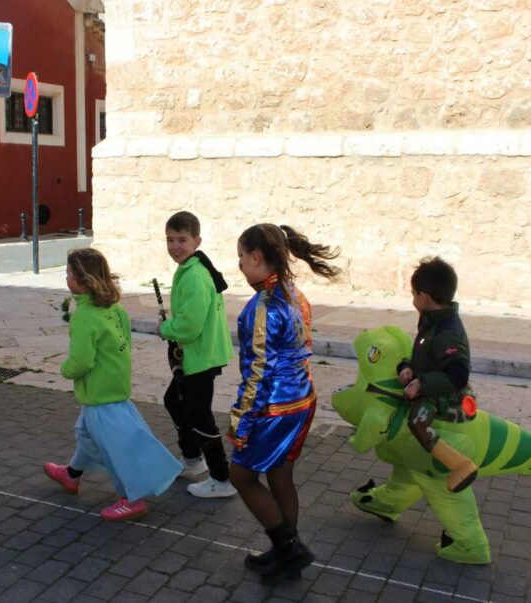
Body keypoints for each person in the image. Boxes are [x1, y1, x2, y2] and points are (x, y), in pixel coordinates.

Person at [229, 224, 341, 582]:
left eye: (242, 257)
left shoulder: (261, 307)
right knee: (280, 476)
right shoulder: (294, 294)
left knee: (241, 476)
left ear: (257, 257)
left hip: (275, 408)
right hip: (302, 399)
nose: (240, 265)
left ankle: (289, 549)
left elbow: (257, 373)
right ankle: (284, 551)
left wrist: (240, 422)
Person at [44, 248, 182, 521]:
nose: (66, 277)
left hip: (99, 395)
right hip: (114, 388)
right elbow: (125, 345)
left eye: (69, 272)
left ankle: (132, 499)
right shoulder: (114, 309)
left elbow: (81, 361)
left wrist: (64, 369)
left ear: (82, 280)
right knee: (86, 434)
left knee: (116, 448)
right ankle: (71, 475)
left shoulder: (84, 316)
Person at [157, 211, 237, 499]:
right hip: (198, 355)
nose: (175, 246)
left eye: (182, 240)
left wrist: (165, 328)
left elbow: (189, 327)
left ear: (197, 240)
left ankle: (221, 478)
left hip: (201, 357)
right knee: (175, 402)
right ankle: (193, 460)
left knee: (199, 415)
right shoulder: (192, 268)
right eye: (170, 239)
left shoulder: (195, 276)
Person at [397, 256, 478, 493]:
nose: (413, 299)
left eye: (413, 294)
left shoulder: (448, 330)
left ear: (424, 297)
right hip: (428, 382)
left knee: (416, 420)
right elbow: (425, 354)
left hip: (445, 396)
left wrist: (422, 384)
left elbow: (458, 375)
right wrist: (406, 367)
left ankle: (460, 465)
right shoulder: (432, 320)